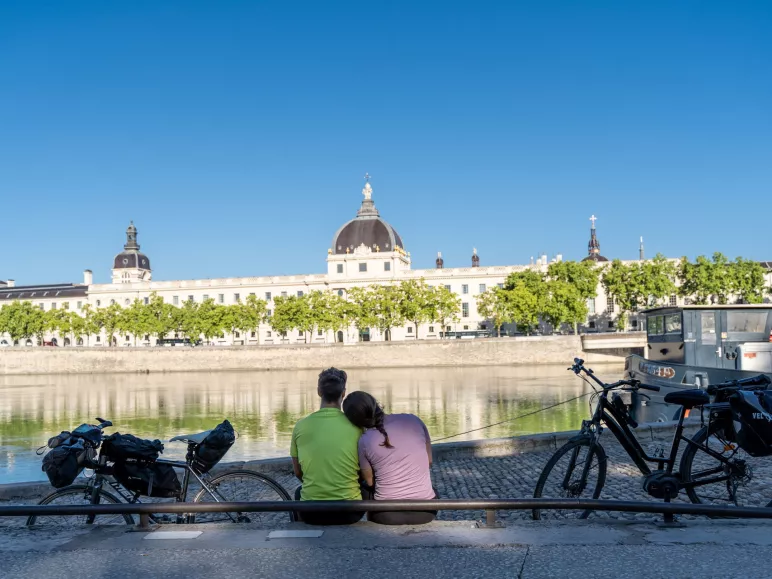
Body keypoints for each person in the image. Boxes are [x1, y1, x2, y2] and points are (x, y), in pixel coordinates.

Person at [342, 391, 438, 525]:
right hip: (426, 512)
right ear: (376, 403)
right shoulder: (414, 420)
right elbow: (429, 461)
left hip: (386, 515)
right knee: (433, 489)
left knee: (363, 489)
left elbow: (370, 482)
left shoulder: (365, 441)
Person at [290, 367, 364, 525]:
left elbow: (298, 472)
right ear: (343, 393)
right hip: (350, 512)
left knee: (299, 492)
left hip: (311, 513)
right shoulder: (357, 426)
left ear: (319, 391)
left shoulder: (300, 426)